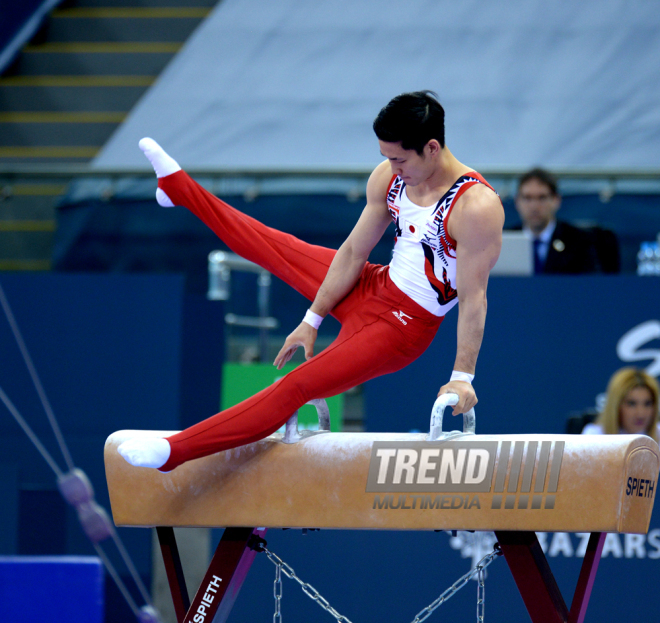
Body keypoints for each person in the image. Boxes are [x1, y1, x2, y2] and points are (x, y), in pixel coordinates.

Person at [118, 91, 504, 472]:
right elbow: (353, 252)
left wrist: (461, 378)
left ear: (432, 148)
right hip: (372, 284)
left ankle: (174, 452)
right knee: (271, 244)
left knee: (294, 387)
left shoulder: (476, 208)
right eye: (386, 157)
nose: (391, 167)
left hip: (400, 328)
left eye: (399, 159)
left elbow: (474, 299)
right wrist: (311, 319)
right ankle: (179, 189)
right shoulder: (390, 178)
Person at [513, 168, 599, 275]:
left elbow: (590, 285)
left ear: (556, 200)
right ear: (517, 202)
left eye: (542, 198)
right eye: (527, 198)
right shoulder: (500, 241)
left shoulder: (579, 242)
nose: (534, 206)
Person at [582, 368, 659, 441]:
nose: (641, 414)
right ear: (616, 405)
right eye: (631, 404)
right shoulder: (594, 436)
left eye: (647, 404)